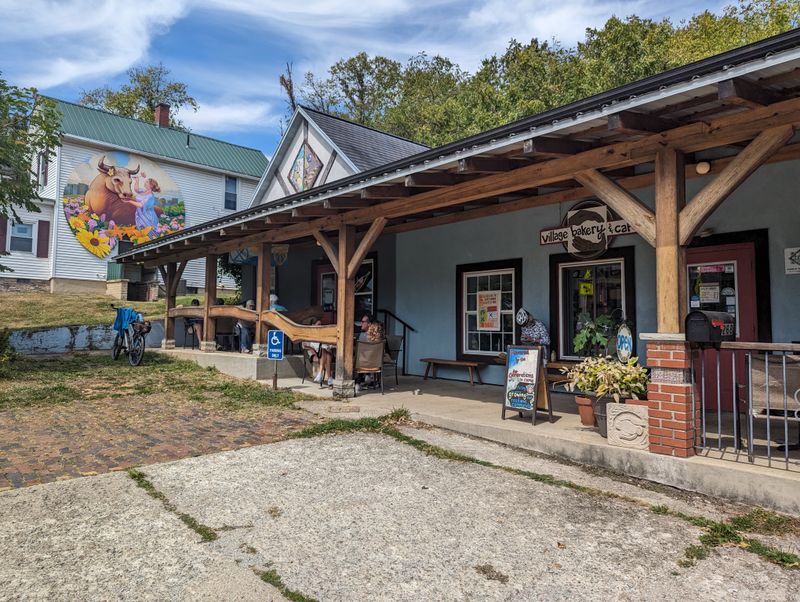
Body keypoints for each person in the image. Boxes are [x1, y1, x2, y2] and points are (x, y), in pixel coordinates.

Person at [131, 174, 161, 239]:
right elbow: (136, 190)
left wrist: (129, 201)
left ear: (151, 185)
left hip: (147, 217)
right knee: (141, 232)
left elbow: (141, 205)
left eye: (147, 182)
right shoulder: (144, 190)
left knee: (148, 233)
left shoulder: (150, 196)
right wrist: (137, 181)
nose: (145, 182)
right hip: (140, 214)